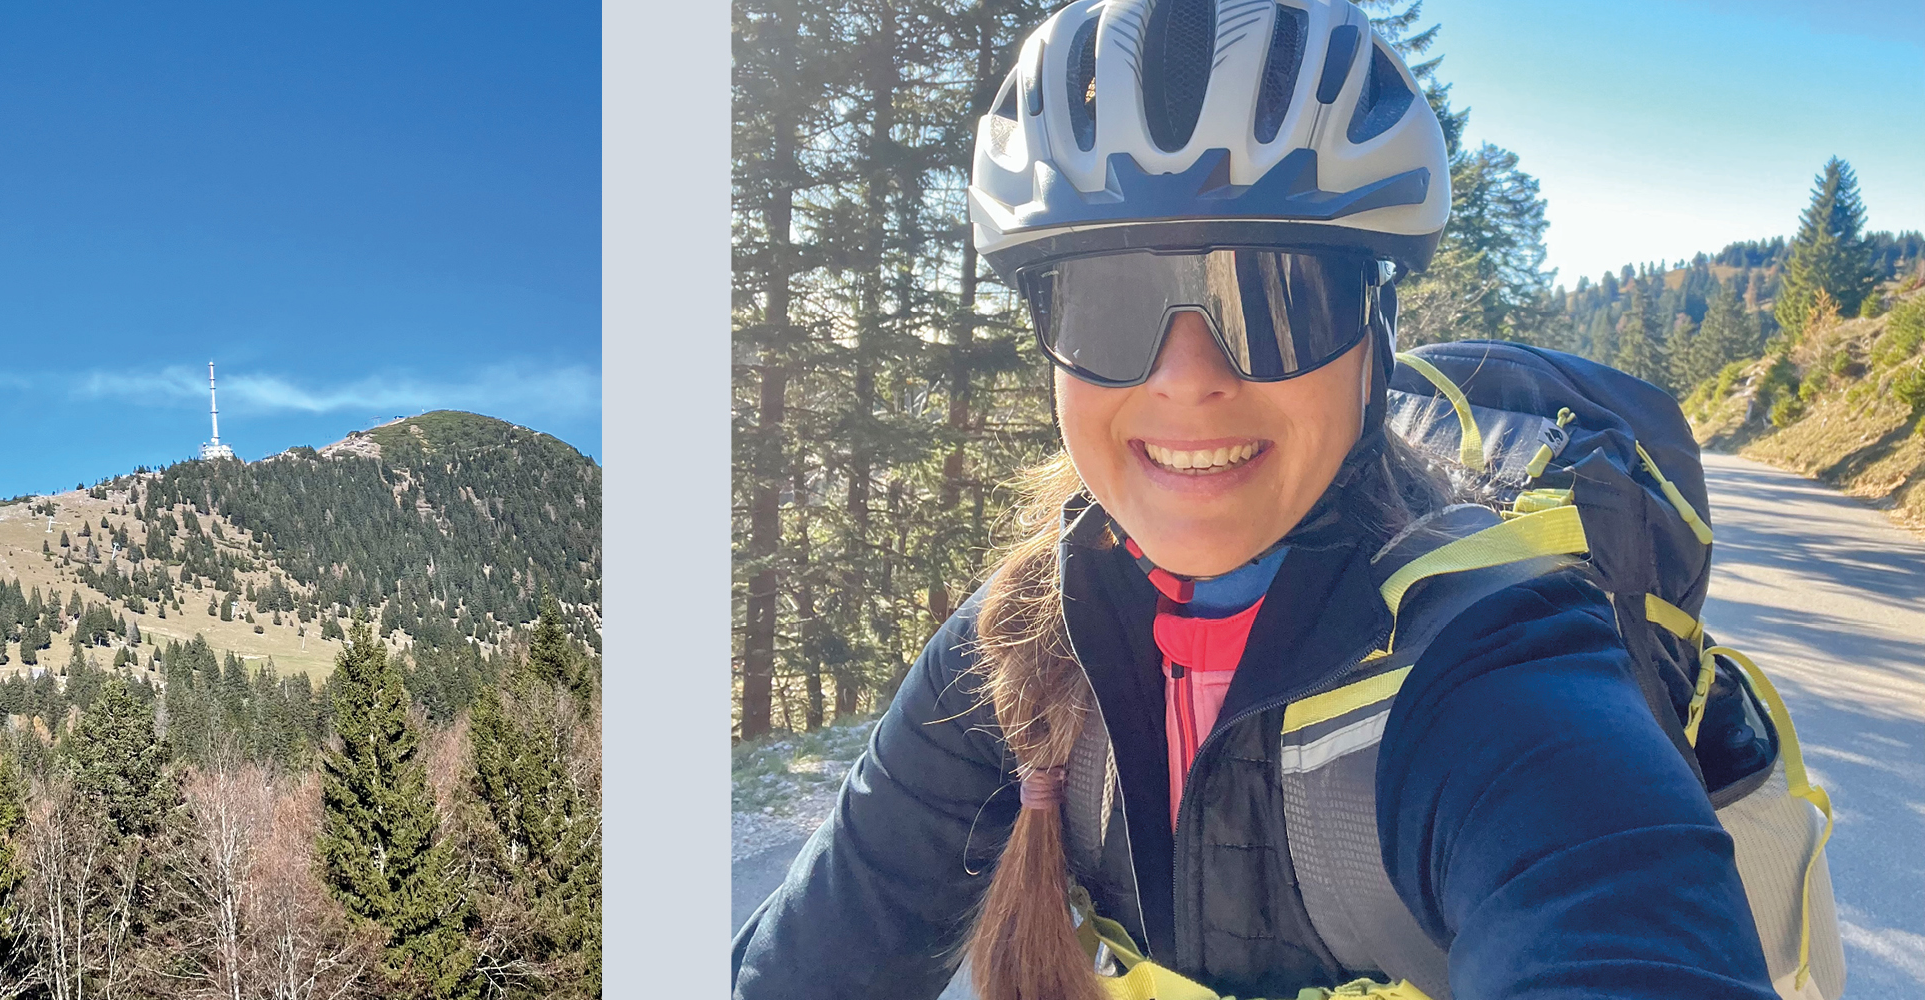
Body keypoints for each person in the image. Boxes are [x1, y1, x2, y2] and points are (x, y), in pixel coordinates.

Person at [730, 1, 1778, 998]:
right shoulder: (1003, 654)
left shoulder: (1495, 679)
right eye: (1108, 301)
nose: (1188, 377)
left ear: (1375, 335)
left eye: (1276, 299)